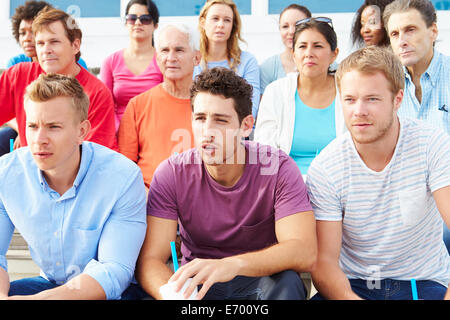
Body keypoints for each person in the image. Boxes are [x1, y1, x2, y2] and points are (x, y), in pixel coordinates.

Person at [135, 67, 317, 300]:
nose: (208, 132)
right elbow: (150, 260)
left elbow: (304, 251)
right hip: (198, 285)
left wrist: (233, 265)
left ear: (246, 126)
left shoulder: (278, 168)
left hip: (261, 280)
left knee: (288, 283)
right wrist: (173, 297)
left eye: (220, 120)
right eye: (200, 118)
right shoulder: (172, 173)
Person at [306, 46, 450, 300]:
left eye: (372, 99)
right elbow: (325, 263)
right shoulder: (326, 166)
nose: (358, 110)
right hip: (353, 285)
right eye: (349, 99)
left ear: (397, 99)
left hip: (421, 282)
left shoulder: (431, 144)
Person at [0, 74, 147, 300]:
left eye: (53, 127)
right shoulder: (6, 174)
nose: (39, 139)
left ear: (82, 131)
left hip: (111, 292)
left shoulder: (122, 177)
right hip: (50, 284)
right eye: (32, 126)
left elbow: (114, 271)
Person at [0, 8, 117, 153]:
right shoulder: (18, 75)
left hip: (75, 174)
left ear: (75, 45)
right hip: (27, 170)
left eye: (54, 42)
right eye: (40, 43)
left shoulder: (97, 93)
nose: (46, 50)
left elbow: (97, 157)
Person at [383, 0, 450, 253]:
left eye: (410, 30)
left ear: (433, 31)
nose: (402, 40)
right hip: (400, 198)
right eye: (395, 33)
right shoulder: (385, 86)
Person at [255, 17, 346, 176]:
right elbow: (265, 155)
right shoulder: (276, 92)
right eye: (302, 47)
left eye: (317, 46)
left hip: (339, 183)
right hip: (288, 186)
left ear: (334, 54)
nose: (308, 54)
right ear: (293, 54)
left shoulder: (348, 92)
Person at [118, 23, 200, 189]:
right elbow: (124, 169)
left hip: (199, 201)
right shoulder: (137, 106)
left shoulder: (211, 106)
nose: (171, 57)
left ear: (196, 58)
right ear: (157, 57)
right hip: (148, 200)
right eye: (164, 50)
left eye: (179, 50)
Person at [100, 0, 163, 132]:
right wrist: (121, 131)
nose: (138, 23)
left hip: (154, 131)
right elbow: (106, 106)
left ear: (155, 25)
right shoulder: (110, 62)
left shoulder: (163, 60)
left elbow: (167, 104)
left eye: (145, 19)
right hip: (118, 134)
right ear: (126, 22)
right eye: (132, 18)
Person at [194, 0, 260, 119]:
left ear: (232, 26)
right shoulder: (192, 60)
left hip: (236, 132)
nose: (220, 25)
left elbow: (251, 108)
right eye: (215, 18)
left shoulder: (247, 61)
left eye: (227, 20)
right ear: (203, 23)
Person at [7, 0, 88, 69]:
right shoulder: (15, 66)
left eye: (32, 31)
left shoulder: (76, 64)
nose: (26, 38)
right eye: (22, 33)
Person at [259, 4, 311, 93]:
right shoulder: (268, 67)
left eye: (298, 25)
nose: (291, 31)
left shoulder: (328, 65)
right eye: (285, 26)